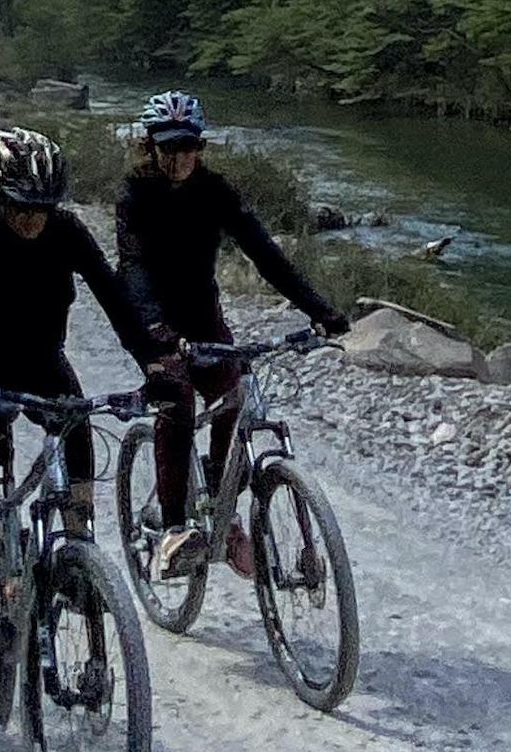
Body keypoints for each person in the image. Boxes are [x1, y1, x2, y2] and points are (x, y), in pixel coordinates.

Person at [0, 128, 172, 666]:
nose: (31, 219)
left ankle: (77, 560)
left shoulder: (67, 230)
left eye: (42, 207)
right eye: (20, 207)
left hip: (40, 363)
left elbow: (114, 296)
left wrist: (152, 363)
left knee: (77, 426)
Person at [116, 91, 350, 578]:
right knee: (177, 399)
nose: (179, 157)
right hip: (151, 318)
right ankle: (174, 529)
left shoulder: (214, 190)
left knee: (234, 394)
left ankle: (221, 499)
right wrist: (157, 331)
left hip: (202, 314)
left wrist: (320, 310)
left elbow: (264, 253)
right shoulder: (136, 193)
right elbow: (133, 268)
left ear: (200, 147)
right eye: (168, 146)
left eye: (188, 146)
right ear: (150, 146)